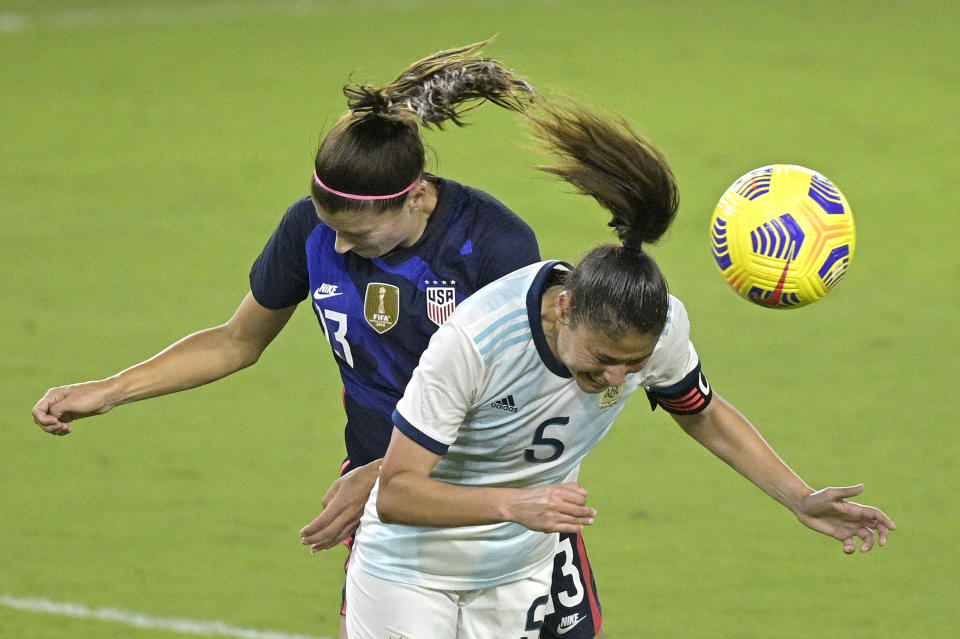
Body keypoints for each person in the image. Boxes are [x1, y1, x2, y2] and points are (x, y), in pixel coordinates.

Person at [30, 42, 610, 639]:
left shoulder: (492, 247)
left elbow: (517, 401)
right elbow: (236, 341)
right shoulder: (309, 231)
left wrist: (383, 475)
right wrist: (109, 390)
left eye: (356, 234)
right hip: (393, 505)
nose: (335, 249)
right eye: (329, 227)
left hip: (502, 503)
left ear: (415, 197)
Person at [344, 102, 896, 639]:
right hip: (410, 574)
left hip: (516, 571)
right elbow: (395, 493)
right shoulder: (477, 340)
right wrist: (515, 503)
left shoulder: (659, 327)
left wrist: (799, 498)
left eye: (634, 366)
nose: (615, 379)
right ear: (564, 309)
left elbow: (703, 415)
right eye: (604, 360)